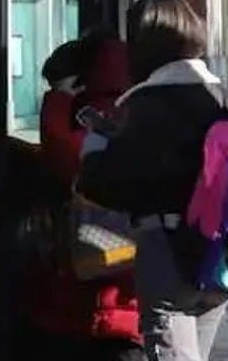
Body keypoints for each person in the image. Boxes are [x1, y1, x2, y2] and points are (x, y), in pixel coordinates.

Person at [78, 0, 228, 361]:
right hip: (223, 254)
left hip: (169, 255)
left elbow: (101, 184)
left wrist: (99, 138)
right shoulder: (222, 96)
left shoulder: (146, 103)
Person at [26, 29, 143, 360]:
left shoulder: (96, 121)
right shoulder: (134, 106)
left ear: (79, 82)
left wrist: (57, 102)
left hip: (104, 301)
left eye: (56, 85)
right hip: (124, 294)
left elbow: (68, 161)